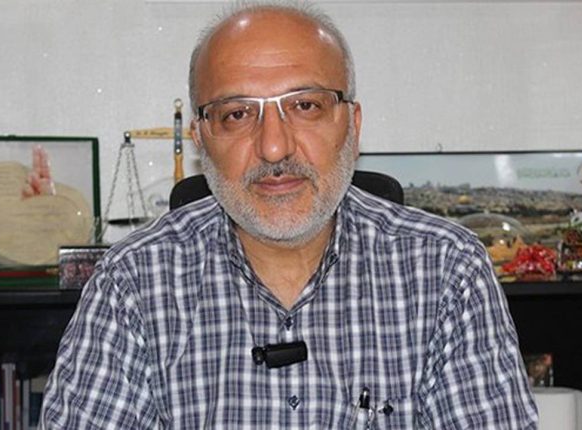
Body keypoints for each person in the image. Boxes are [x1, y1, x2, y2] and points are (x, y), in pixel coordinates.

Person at [41, 2, 538, 428]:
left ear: (352, 125)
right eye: (237, 114)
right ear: (200, 139)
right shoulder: (132, 282)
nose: (274, 147)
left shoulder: (447, 271)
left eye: (305, 106)